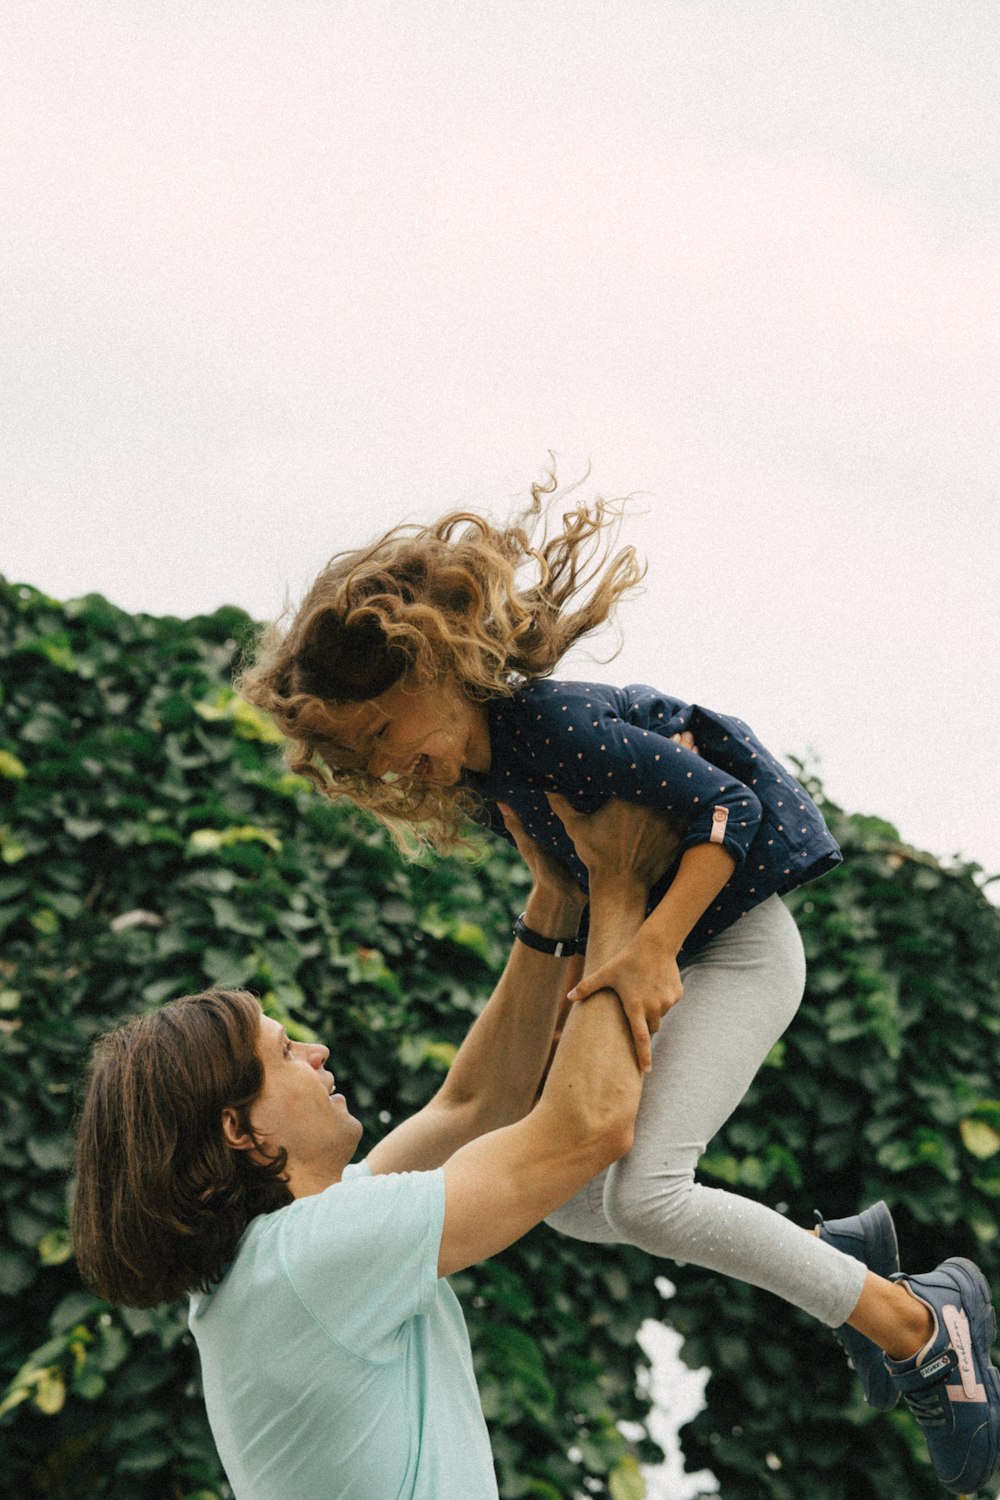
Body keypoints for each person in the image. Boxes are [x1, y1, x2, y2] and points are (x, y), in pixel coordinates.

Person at [239, 471, 1000, 1494]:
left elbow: (726, 808)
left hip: (734, 948)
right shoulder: (498, 770)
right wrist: (593, 908)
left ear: (429, 666)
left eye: (383, 733)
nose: (392, 766)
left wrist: (643, 945)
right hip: (681, 948)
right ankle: (843, 1258)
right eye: (364, 758)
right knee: (566, 1202)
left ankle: (923, 1326)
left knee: (644, 1197)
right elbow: (488, 1092)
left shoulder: (551, 729)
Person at [74, 795, 683, 1498]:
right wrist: (619, 889)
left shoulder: (276, 1262)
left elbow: (476, 1105)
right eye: (285, 1053)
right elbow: (589, 1125)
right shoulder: (313, 1257)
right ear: (239, 1131)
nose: (317, 1052)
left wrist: (557, 898)